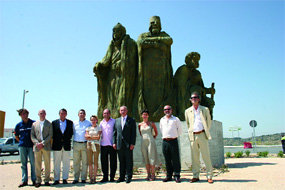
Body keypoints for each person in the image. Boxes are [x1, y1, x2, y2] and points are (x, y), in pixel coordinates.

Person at [93, 23, 138, 120]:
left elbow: (133, 60)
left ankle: (121, 116)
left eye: (117, 31)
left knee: (121, 96)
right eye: (113, 31)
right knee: (111, 97)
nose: (115, 33)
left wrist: (122, 63)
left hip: (124, 76)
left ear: (122, 32)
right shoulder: (112, 45)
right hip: (112, 75)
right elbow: (106, 59)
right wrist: (100, 64)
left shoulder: (130, 43)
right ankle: (110, 115)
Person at [137, 16, 174, 121]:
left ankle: (160, 114)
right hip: (147, 70)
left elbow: (169, 40)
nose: (155, 25)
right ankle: (147, 115)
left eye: (157, 23)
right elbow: (140, 43)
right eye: (153, 23)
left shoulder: (164, 35)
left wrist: (153, 42)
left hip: (161, 70)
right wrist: (158, 44)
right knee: (147, 94)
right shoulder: (143, 35)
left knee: (160, 94)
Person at [174, 52, 215, 120]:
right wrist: (196, 88)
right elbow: (181, 87)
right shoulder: (183, 70)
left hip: (198, 96)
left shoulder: (197, 73)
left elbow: (202, 87)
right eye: (195, 60)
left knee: (210, 102)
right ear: (188, 60)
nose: (196, 62)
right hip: (185, 98)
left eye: (198, 60)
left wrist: (209, 90)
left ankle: (207, 120)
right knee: (196, 90)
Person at [185, 91, 214, 184]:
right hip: (193, 136)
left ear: (199, 99)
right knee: (195, 157)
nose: (194, 99)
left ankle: (209, 176)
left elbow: (208, 122)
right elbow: (188, 123)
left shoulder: (205, 109)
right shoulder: (187, 111)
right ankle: (195, 176)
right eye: (192, 98)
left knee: (206, 156)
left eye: (196, 97)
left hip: (202, 135)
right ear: (190, 100)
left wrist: (205, 131)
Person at [113, 106, 136, 183]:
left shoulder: (131, 120)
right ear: (119, 111)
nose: (123, 111)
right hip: (119, 144)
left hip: (128, 144)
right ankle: (121, 177)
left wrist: (132, 143)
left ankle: (129, 176)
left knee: (129, 161)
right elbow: (115, 133)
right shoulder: (117, 120)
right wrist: (114, 142)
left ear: (127, 111)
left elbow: (133, 133)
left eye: (124, 110)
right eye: (121, 110)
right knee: (121, 161)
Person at [159, 105, 182, 183]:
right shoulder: (162, 120)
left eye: (168, 109)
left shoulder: (176, 119)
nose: (167, 111)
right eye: (165, 109)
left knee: (175, 159)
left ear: (171, 110)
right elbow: (161, 129)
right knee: (167, 159)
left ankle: (177, 175)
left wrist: (173, 136)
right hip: (165, 142)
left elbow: (180, 130)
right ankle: (169, 176)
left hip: (173, 141)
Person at [31, 109, 53, 188]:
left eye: (43, 113)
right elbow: (32, 135)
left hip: (46, 146)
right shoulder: (34, 124)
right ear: (38, 114)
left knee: (47, 164)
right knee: (37, 164)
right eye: (40, 113)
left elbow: (50, 135)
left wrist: (43, 143)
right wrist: (37, 143)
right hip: (37, 147)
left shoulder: (49, 123)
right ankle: (38, 180)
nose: (42, 114)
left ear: (45, 114)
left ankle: (47, 180)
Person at [14, 108, 36, 187]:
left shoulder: (33, 123)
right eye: (22, 114)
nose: (24, 115)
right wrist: (21, 141)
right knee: (23, 164)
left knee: (33, 164)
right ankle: (24, 181)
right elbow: (16, 136)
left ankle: (34, 180)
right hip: (22, 146)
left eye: (25, 113)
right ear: (20, 115)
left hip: (31, 146)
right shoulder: (18, 125)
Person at [51, 108, 73, 185]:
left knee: (66, 163)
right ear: (59, 114)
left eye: (64, 113)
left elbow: (71, 133)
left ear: (66, 114)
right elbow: (52, 134)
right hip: (57, 146)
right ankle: (56, 179)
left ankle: (64, 179)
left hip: (66, 145)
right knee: (56, 163)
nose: (63, 115)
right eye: (61, 113)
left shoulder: (70, 123)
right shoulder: (54, 123)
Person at [138, 109, 158, 181]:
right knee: (146, 158)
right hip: (143, 142)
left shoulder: (151, 123)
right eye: (143, 114)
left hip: (150, 141)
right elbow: (140, 133)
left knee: (151, 157)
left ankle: (153, 174)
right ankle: (148, 174)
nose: (144, 116)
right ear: (141, 116)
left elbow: (156, 132)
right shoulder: (140, 124)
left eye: (146, 114)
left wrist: (152, 138)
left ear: (148, 115)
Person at [72, 109, 91, 184]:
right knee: (76, 162)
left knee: (85, 162)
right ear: (78, 114)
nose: (82, 114)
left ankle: (83, 178)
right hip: (76, 143)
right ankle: (76, 178)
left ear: (85, 115)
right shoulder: (74, 123)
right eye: (80, 113)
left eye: (83, 113)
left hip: (85, 144)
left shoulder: (88, 123)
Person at [99, 109, 117, 183]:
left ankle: (112, 177)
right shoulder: (101, 123)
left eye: (107, 113)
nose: (106, 114)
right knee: (104, 162)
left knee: (113, 162)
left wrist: (115, 142)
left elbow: (116, 132)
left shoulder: (114, 121)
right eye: (104, 113)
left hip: (112, 145)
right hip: (103, 144)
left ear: (110, 114)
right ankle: (105, 177)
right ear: (103, 114)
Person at [85, 115, 102, 184]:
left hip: (96, 145)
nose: (93, 121)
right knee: (89, 162)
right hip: (89, 145)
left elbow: (98, 137)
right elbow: (86, 136)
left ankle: (94, 177)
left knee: (95, 161)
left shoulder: (99, 128)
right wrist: (92, 137)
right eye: (92, 120)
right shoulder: (88, 128)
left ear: (96, 120)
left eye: (94, 120)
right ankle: (90, 177)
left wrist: (90, 136)